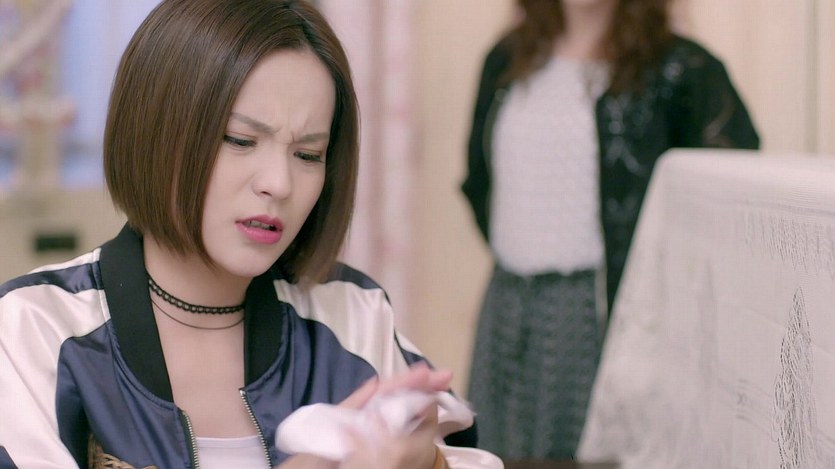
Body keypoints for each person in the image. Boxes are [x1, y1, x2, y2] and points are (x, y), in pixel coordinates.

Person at [0, 1, 500, 468]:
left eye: (308, 155)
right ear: (154, 129)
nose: (279, 184)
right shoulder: (32, 328)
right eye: (240, 140)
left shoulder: (351, 315)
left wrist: (427, 461)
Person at [462, 0, 760, 460]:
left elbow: (730, 201)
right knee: (492, 456)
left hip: (604, 316)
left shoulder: (681, 69)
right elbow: (480, 182)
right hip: (507, 306)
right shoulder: (508, 58)